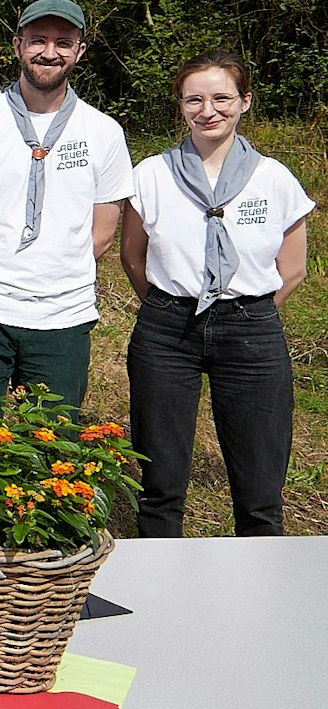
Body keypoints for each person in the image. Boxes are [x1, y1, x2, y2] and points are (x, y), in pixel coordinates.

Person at [121, 51, 313, 537]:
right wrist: (169, 307)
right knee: (160, 483)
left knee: (260, 488)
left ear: (245, 101)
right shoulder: (151, 174)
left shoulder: (274, 177)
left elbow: (293, 268)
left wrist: (246, 314)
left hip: (251, 333)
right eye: (195, 100)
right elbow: (133, 257)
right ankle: (160, 576)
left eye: (222, 98)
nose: (208, 111)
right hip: (167, 332)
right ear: (181, 106)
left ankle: (259, 578)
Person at [0, 0, 132, 412]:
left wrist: (49, 270)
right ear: (18, 45)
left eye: (63, 42)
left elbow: (103, 233)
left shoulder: (104, 131)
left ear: (80, 51)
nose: (49, 52)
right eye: (38, 40)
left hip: (61, 313)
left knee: (50, 438)